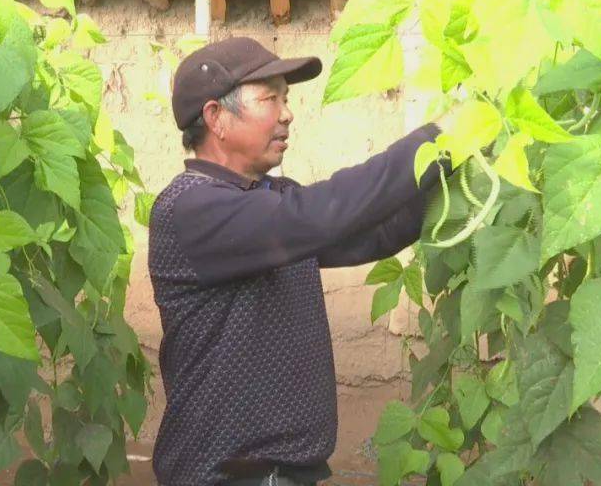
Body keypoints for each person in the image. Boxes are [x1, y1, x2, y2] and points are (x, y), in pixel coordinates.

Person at [148, 37, 447, 486]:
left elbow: (371, 234)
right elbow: (319, 216)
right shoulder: (190, 209)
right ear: (216, 118)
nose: (287, 113)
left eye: (286, 99)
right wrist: (440, 137)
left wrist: (457, 177)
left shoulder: (269, 201)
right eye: (270, 98)